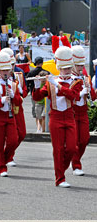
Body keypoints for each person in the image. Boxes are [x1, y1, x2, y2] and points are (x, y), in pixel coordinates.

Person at [32, 46, 81, 188]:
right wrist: (36, 86)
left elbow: (73, 96)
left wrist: (58, 85)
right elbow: (38, 97)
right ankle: (60, 178)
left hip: (69, 117)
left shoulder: (75, 81)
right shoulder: (51, 81)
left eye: (68, 68)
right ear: (59, 68)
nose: (66, 71)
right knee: (58, 149)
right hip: (55, 117)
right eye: (63, 68)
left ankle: (62, 168)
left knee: (71, 148)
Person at [71, 45, 96, 176]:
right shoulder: (69, 78)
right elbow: (68, 96)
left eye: (82, 65)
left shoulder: (85, 78)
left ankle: (75, 160)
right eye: (78, 66)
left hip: (83, 111)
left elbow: (94, 96)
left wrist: (89, 88)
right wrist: (80, 93)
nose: (81, 68)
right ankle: (76, 165)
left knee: (85, 139)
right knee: (75, 140)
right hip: (73, 111)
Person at [1, 47, 27, 166]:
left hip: (17, 107)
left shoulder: (19, 75)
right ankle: (9, 157)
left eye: (12, 64)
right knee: (9, 136)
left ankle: (7, 154)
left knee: (21, 134)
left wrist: (20, 91)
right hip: (5, 108)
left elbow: (25, 92)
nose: (10, 68)